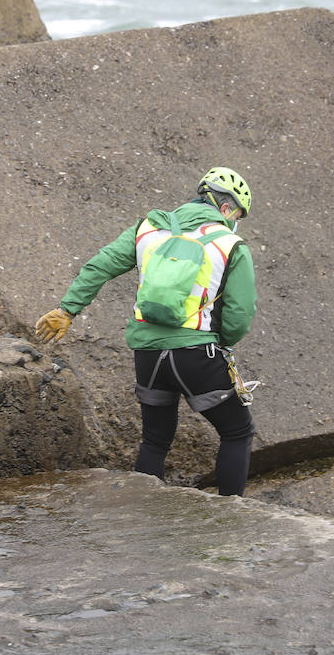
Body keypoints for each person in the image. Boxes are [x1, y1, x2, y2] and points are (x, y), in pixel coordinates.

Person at [35, 166, 258, 495]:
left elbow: (101, 264)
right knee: (237, 431)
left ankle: (142, 516)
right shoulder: (231, 244)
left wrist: (68, 308)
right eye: (237, 213)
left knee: (155, 440)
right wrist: (220, 342)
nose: (235, 220)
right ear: (226, 208)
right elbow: (239, 315)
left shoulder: (148, 227)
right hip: (198, 357)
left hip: (148, 357)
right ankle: (231, 522)